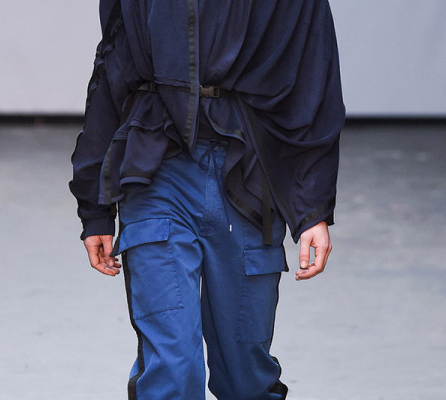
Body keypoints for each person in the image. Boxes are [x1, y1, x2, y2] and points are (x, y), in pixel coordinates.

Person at [70, 1, 345, 399]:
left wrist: (312, 208)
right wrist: (94, 208)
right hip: (157, 168)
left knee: (245, 378)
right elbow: (112, 68)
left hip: (250, 174)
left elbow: (313, 78)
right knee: (171, 369)